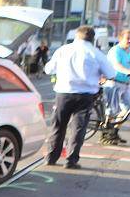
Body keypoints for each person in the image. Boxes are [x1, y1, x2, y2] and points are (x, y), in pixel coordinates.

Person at [44, 25, 116, 169]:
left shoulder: (63, 50)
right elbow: (111, 74)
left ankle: (51, 157)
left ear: (77, 36)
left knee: (58, 126)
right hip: (85, 96)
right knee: (78, 128)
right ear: (92, 38)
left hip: (63, 93)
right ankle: (71, 160)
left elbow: (48, 69)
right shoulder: (96, 53)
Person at [101, 29, 130, 145]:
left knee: (128, 108)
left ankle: (114, 132)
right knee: (112, 110)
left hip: (125, 83)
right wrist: (129, 71)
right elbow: (117, 66)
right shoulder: (115, 51)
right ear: (120, 39)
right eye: (128, 38)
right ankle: (106, 134)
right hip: (113, 82)